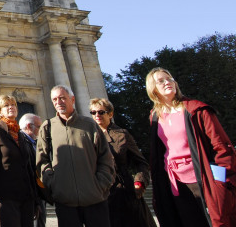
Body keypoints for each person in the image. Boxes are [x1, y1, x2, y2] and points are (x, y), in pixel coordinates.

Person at [146, 67, 236, 227]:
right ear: (153, 89)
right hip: (175, 182)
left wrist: (220, 182)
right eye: (161, 81)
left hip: (204, 179)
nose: (167, 82)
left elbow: (222, 148)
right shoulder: (155, 117)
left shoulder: (197, 110)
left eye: (170, 79)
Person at [36, 85, 115, 227]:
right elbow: (42, 161)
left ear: (72, 99)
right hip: (65, 200)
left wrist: (100, 185)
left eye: (62, 98)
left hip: (95, 198)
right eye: (55, 99)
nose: (58, 102)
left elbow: (105, 157)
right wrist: (55, 185)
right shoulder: (47, 127)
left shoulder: (90, 124)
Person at [89, 98, 156, 227]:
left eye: (101, 112)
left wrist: (139, 183)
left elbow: (141, 163)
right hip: (101, 193)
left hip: (124, 192)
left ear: (110, 114)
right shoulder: (88, 137)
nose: (97, 115)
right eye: (93, 112)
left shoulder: (122, 135)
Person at [0, 95, 37, 227]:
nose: (11, 107)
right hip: (5, 197)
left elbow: (28, 167)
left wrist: (35, 199)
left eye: (13, 104)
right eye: (6, 105)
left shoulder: (21, 135)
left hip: (26, 196)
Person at [20, 113, 46, 227]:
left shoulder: (34, 142)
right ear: (29, 126)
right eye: (39, 126)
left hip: (38, 192)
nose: (41, 129)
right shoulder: (21, 141)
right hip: (31, 193)